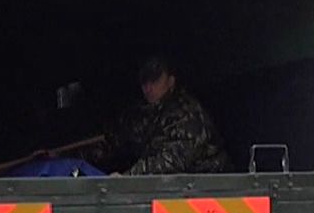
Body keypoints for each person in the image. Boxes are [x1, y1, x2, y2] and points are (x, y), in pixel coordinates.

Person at [90, 54, 231, 175]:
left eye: (155, 81)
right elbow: (122, 136)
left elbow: (171, 161)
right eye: (144, 82)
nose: (148, 88)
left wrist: (127, 179)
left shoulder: (187, 114)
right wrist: (93, 152)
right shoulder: (148, 112)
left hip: (213, 190)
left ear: (171, 81)